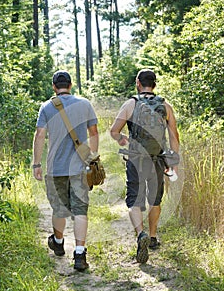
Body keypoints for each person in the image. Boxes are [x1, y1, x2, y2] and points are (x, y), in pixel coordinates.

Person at [110, 69, 179, 263]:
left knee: (134, 200)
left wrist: (123, 139)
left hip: (136, 159)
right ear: (154, 84)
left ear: (138, 83)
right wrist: (173, 160)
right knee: (155, 199)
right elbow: (174, 136)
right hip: (158, 159)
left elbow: (114, 131)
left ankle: (141, 234)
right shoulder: (165, 105)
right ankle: (153, 237)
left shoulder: (130, 104)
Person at [32, 70, 99, 271]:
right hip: (79, 166)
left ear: (54, 86)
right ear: (70, 85)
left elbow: (40, 135)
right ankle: (79, 254)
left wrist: (36, 164)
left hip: (55, 168)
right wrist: (93, 158)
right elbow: (94, 132)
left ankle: (59, 243)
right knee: (80, 210)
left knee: (59, 208)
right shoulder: (85, 104)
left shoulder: (46, 107)